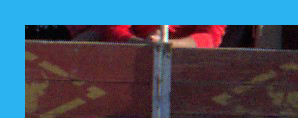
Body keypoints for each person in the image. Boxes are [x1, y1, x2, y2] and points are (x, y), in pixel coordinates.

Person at [67, 25, 226, 47]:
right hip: (133, 57)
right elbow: (114, 29)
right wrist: (143, 44)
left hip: (189, 63)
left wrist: (167, 44)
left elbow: (210, 38)